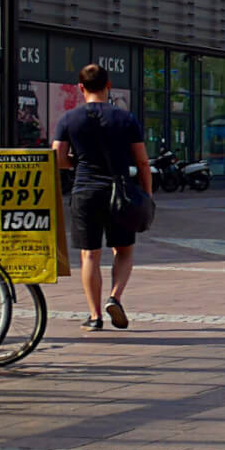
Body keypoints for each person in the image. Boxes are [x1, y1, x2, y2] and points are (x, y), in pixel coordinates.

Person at [51, 64, 150, 332]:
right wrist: (147, 195)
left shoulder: (68, 119)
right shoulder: (126, 119)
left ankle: (94, 316)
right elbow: (142, 162)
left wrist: (78, 162)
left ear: (80, 88)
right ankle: (114, 297)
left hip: (85, 190)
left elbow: (57, 157)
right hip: (121, 192)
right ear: (109, 86)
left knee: (89, 255)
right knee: (124, 250)